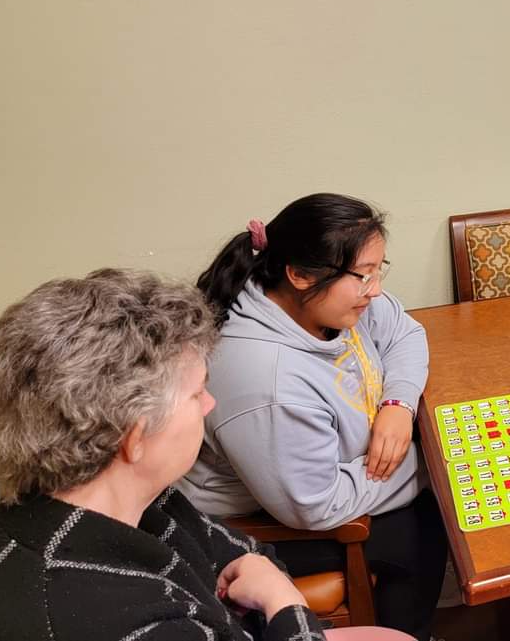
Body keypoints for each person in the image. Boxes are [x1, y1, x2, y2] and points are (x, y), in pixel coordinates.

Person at [0, 269, 411, 640]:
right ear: (136, 435)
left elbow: (244, 551)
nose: (210, 405)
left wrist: (261, 575)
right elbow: (258, 571)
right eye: (198, 393)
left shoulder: (131, 495)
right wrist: (283, 601)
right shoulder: (116, 619)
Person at [177, 194, 447, 641]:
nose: (375, 289)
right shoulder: (267, 381)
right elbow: (315, 505)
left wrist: (398, 406)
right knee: (425, 527)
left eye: (379, 270)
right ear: (299, 274)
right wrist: (431, 465)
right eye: (363, 275)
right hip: (266, 524)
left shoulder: (329, 301)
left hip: (325, 481)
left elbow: (405, 332)